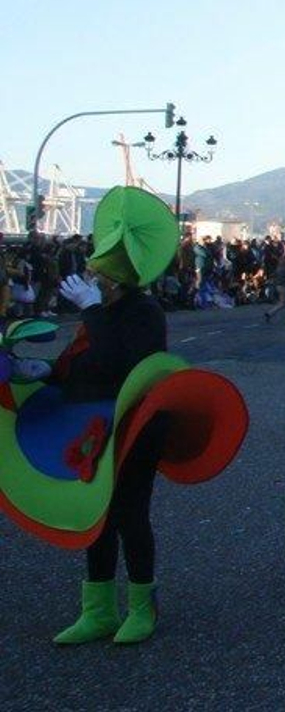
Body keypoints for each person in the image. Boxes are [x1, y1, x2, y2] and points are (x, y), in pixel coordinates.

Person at [0, 187, 248, 644]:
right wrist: (46, 370)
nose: (93, 281)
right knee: (99, 516)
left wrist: (92, 311)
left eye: (100, 278)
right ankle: (97, 610)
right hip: (95, 427)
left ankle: (141, 606)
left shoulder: (143, 311)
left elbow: (125, 365)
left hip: (137, 426)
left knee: (131, 514)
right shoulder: (104, 311)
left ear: (116, 282)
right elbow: (84, 365)